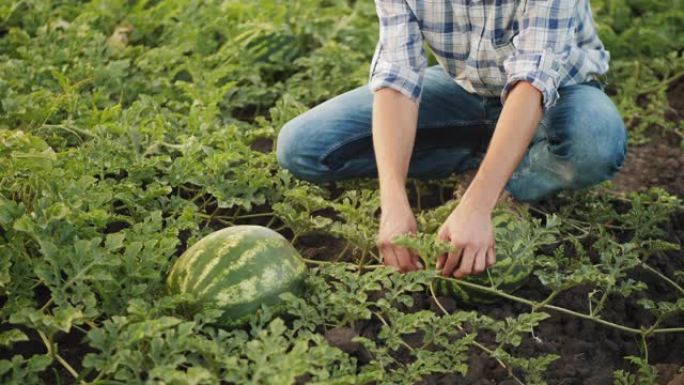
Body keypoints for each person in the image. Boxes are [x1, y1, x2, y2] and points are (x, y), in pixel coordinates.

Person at [276, 0, 628, 278]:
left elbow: (531, 83)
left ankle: (508, 184)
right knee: (305, 146)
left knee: (594, 142)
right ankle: (486, 157)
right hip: (465, 91)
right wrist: (393, 201)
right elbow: (397, 80)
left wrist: (479, 205)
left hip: (557, 94)